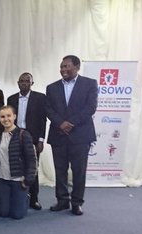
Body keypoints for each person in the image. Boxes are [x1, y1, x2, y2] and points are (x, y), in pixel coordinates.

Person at [46, 55, 98, 216]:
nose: (63, 70)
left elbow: (90, 107)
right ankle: (62, 200)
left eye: (66, 66)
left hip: (81, 135)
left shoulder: (89, 84)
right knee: (60, 170)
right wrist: (60, 123)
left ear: (77, 67)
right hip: (58, 134)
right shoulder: (52, 87)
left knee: (79, 171)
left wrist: (70, 123)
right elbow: (48, 109)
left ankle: (77, 202)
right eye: (61, 67)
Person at [7, 73, 47, 210]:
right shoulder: (11, 99)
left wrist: (41, 140)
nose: (24, 83)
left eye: (27, 81)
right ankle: (18, 196)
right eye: (21, 81)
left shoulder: (40, 98)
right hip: (16, 136)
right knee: (16, 167)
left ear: (32, 83)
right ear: (18, 83)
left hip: (33, 138)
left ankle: (34, 199)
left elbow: (43, 120)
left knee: (32, 168)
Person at [0, 105, 37, 220]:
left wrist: (28, 180)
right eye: (2, 117)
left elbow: (31, 159)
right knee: (2, 212)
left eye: (9, 116)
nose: (6, 119)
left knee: (17, 215)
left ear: (14, 116)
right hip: (2, 179)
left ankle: (25, 197)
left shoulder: (23, 135)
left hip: (19, 180)